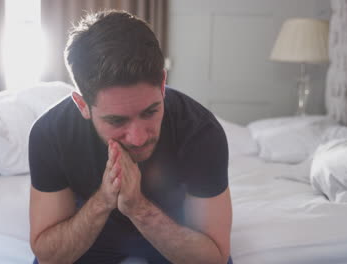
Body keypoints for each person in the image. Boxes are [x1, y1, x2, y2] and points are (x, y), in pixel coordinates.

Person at [28, 10, 232, 264]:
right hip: (89, 234)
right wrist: (103, 200)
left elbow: (215, 257)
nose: (137, 138)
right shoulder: (50, 134)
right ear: (82, 105)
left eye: (150, 111)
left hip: (173, 229)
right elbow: (48, 256)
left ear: (162, 85)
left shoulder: (200, 130)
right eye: (116, 120)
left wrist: (138, 209)